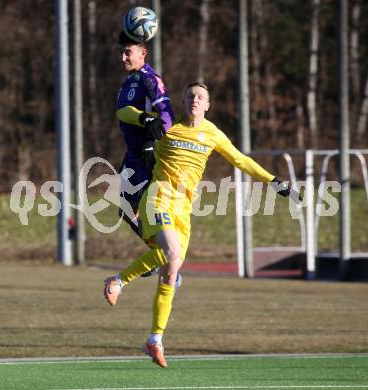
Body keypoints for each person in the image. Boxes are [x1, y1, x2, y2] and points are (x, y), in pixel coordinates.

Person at [104, 82, 300, 368]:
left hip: (183, 209)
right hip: (157, 198)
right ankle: (117, 280)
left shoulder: (212, 134)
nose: (195, 100)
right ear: (184, 102)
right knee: (170, 252)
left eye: (200, 97)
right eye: (190, 96)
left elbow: (241, 160)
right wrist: (144, 117)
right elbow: (124, 112)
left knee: (171, 271)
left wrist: (273, 181)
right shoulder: (167, 125)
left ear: (208, 105)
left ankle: (154, 339)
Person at [116, 31, 181, 285]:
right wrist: (140, 118)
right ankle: (159, 254)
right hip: (131, 155)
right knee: (123, 207)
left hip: (147, 155)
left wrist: (153, 143)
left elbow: (166, 115)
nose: (123, 57)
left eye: (128, 52)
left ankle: (166, 259)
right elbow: (122, 112)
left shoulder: (150, 79)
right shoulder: (128, 81)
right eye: (122, 52)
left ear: (143, 53)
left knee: (148, 210)